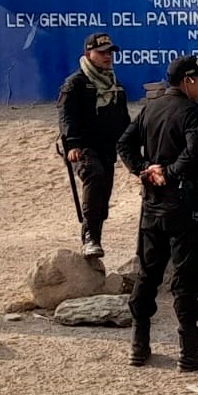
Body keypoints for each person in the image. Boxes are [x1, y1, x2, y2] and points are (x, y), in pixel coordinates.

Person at [117, 55, 198, 372]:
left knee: (148, 273)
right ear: (189, 81)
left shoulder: (151, 108)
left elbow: (124, 144)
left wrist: (144, 171)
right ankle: (190, 350)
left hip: (152, 205)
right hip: (183, 205)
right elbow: (196, 151)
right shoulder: (193, 113)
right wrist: (170, 172)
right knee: (186, 280)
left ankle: (139, 346)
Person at [58, 32, 131, 258]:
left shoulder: (115, 84)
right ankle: (90, 238)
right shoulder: (75, 83)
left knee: (103, 196)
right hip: (83, 147)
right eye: (102, 52)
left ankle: (96, 236)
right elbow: (67, 116)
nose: (107, 57)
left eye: (110, 52)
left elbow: (123, 119)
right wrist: (72, 144)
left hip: (107, 147)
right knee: (95, 176)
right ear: (88, 54)